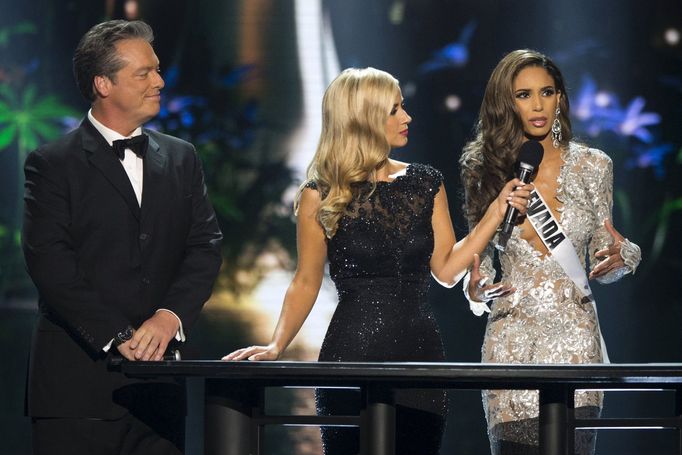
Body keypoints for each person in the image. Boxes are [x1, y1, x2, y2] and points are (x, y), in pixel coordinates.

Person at [223, 67, 532, 454]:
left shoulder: (425, 182)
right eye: (394, 109)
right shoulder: (319, 195)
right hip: (350, 355)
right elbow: (305, 281)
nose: (407, 117)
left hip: (420, 357)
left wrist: (496, 211)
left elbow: (448, 270)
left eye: (403, 106)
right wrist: (276, 345)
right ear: (362, 118)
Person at [22, 20, 222, 455]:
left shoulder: (181, 157)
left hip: (160, 393)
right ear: (103, 84)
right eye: (144, 73)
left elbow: (205, 246)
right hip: (77, 394)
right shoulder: (52, 163)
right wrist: (118, 335)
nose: (160, 81)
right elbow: (50, 264)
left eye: (157, 70)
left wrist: (170, 316)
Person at [459, 49, 642, 454]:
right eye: (523, 95)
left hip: (575, 342)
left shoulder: (594, 165)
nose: (538, 105)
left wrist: (622, 255)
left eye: (547, 92)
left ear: (560, 97)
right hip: (511, 340)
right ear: (507, 103)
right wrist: (477, 289)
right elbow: (480, 264)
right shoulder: (484, 168)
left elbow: (603, 251)